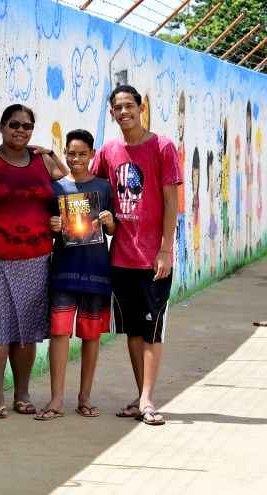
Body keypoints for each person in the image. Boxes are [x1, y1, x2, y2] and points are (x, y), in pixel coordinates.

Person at [0, 103, 69, 419]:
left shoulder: (41, 163)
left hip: (36, 260)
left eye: (26, 126)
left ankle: (22, 394)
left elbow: (67, 184)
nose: (20, 130)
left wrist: (49, 153)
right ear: (1, 126)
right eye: (14, 124)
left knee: (26, 330)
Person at [90, 85, 180, 426]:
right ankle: (140, 397)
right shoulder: (109, 151)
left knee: (152, 330)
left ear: (141, 107)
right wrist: (50, 162)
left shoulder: (162, 147)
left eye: (129, 105)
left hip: (152, 259)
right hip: (120, 259)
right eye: (118, 107)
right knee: (132, 332)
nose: (124, 112)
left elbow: (172, 202)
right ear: (112, 113)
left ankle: (146, 399)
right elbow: (87, 181)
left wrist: (165, 249)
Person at [35, 129, 116, 421]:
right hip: (64, 271)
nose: (77, 159)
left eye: (83, 154)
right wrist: (53, 225)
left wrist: (109, 223)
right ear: (65, 153)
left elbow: (115, 229)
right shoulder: (57, 189)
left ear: (92, 155)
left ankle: (85, 398)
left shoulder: (105, 188)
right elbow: (45, 226)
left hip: (96, 272)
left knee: (91, 336)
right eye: (72, 153)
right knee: (59, 333)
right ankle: (56, 400)